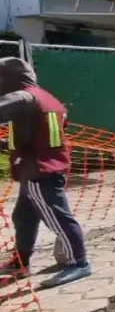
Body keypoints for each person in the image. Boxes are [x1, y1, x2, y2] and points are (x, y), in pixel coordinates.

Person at [0, 58, 91, 288]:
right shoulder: (50, 100)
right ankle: (21, 263)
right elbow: (38, 135)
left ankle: (78, 263)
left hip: (39, 171)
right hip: (43, 167)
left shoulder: (22, 97)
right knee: (24, 217)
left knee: (58, 218)